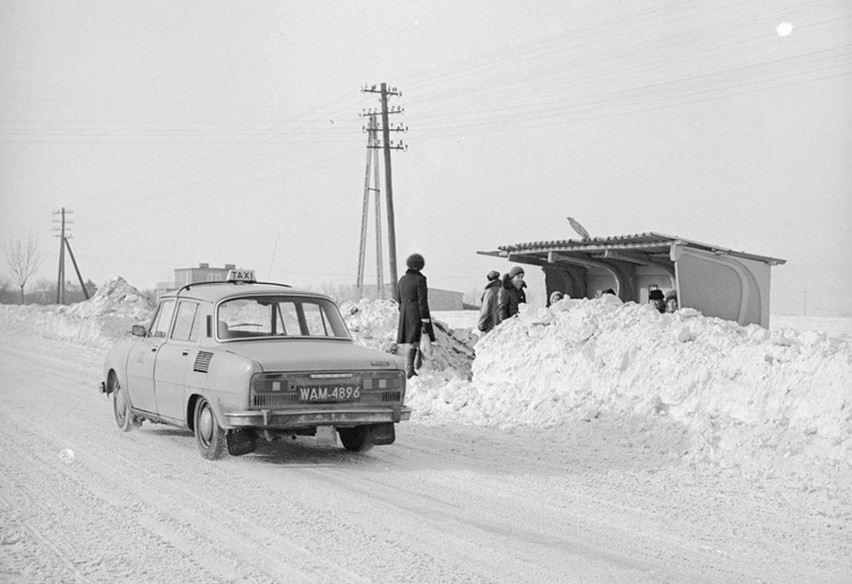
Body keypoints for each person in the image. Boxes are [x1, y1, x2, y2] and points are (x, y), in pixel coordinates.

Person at [396, 253, 435, 379]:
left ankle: (414, 365)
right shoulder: (420, 280)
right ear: (421, 265)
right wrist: (425, 317)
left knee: (412, 338)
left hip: (405, 311)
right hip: (416, 311)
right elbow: (422, 300)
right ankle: (410, 368)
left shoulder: (402, 279)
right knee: (417, 338)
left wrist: (402, 310)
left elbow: (398, 299)